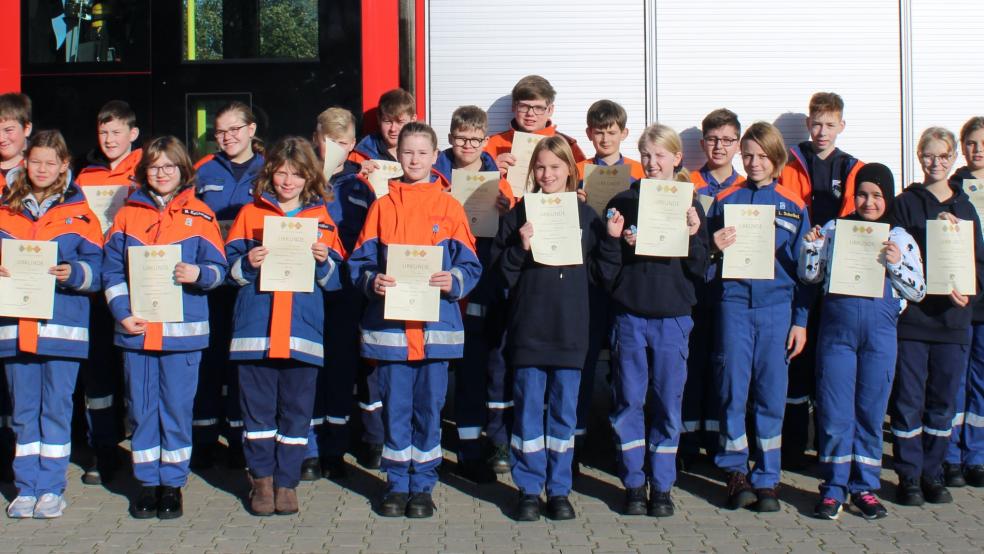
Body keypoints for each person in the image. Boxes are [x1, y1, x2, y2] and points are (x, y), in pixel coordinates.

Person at [348, 122, 481, 518]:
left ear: (435, 156)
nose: (415, 159)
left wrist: (453, 280)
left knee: (429, 410)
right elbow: (359, 263)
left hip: (435, 331)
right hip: (391, 332)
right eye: (407, 152)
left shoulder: (450, 207)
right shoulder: (382, 206)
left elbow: (470, 265)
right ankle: (395, 484)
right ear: (397, 155)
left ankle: (422, 486)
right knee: (395, 409)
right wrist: (373, 281)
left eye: (423, 152)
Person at [492, 135, 619, 521]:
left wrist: (612, 242)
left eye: (555, 167)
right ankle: (529, 490)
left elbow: (603, 275)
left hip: (570, 330)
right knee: (528, 413)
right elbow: (500, 274)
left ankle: (559, 490)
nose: (547, 174)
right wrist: (519, 247)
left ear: (570, 171)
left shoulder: (586, 217)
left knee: (564, 414)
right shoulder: (519, 214)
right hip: (529, 329)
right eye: (541, 167)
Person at [103, 135, 226, 519]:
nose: (161, 173)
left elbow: (219, 270)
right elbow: (111, 271)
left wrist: (198, 274)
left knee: (175, 409)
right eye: (154, 167)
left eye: (169, 166)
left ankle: (172, 484)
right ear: (144, 171)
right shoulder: (127, 215)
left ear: (183, 170)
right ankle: (146, 483)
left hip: (182, 336)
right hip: (137, 331)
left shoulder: (202, 215)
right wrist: (122, 312)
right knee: (141, 409)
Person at [798, 163, 925, 520]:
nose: (869, 202)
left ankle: (864, 487)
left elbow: (918, 291)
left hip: (879, 338)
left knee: (870, 412)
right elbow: (810, 277)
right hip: (837, 336)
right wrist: (812, 248)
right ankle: (833, 487)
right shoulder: (836, 229)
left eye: (877, 195)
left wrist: (896, 264)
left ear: (889, 197)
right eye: (862, 195)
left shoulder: (900, 238)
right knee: (835, 411)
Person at [225, 137, 345, 516]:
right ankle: (261, 480)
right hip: (256, 329)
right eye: (281, 173)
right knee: (257, 411)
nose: (288, 181)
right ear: (269, 174)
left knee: (296, 411)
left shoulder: (322, 218)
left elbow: (336, 281)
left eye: (297, 174)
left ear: (309, 177)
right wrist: (248, 263)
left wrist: (324, 262)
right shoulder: (250, 214)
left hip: (301, 331)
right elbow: (227, 272)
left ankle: (287, 482)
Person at [708, 122, 812, 512]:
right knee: (733, 390)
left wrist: (800, 320)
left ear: (776, 158)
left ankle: (768, 476)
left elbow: (806, 271)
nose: (754, 163)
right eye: (748, 155)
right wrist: (712, 248)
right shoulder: (725, 201)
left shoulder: (793, 205)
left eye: (762, 156)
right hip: (734, 305)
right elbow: (706, 263)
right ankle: (735, 471)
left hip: (776, 310)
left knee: (770, 394)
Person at [604, 124, 707, 517]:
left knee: (667, 403)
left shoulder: (690, 203)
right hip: (631, 315)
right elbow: (606, 269)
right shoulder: (623, 201)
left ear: (677, 158)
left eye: (660, 155)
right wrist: (618, 242)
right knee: (629, 401)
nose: (652, 162)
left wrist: (694, 236)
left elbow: (700, 268)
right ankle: (633, 483)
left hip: (673, 318)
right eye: (646, 154)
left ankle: (662, 486)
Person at [0, 130, 103, 518]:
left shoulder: (82, 213)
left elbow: (99, 269)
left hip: (62, 329)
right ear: (25, 163)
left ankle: (51, 488)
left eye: (50, 163)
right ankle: (26, 487)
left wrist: (73, 273)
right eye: (36, 162)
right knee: (23, 412)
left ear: (64, 166)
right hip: (14, 326)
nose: (42, 169)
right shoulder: (5, 208)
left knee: (57, 410)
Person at [889, 127, 984, 506]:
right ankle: (909, 476)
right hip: (914, 322)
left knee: (943, 403)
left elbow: (977, 262)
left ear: (953, 158)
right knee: (908, 401)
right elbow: (894, 257)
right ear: (919, 156)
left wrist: (969, 289)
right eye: (929, 155)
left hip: (953, 321)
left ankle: (933, 473)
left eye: (943, 156)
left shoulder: (966, 208)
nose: (936, 162)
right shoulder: (904, 204)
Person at [780, 92, 865, 467]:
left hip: (837, 275)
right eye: (816, 124)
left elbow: (857, 218)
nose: (822, 131)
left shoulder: (853, 168)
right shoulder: (790, 163)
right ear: (808, 124)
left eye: (830, 124)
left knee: (829, 362)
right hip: (797, 272)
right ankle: (793, 447)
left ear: (841, 126)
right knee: (796, 358)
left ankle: (829, 448)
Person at [434, 105, 513, 482]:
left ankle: (491, 443)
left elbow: (513, 234)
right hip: (442, 285)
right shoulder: (434, 174)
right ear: (450, 138)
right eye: (461, 138)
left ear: (485, 141)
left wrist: (505, 211)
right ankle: (457, 448)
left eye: (475, 139)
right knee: (451, 370)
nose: (467, 145)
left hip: (486, 285)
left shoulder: (499, 179)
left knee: (488, 367)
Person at [572, 99, 643, 470]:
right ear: (589, 134)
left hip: (625, 275)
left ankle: (623, 444)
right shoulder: (577, 171)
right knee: (583, 359)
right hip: (587, 277)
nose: (604, 138)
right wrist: (576, 202)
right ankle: (576, 439)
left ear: (623, 133)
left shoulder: (638, 172)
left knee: (625, 364)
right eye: (598, 132)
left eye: (611, 132)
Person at [194, 101, 265, 469]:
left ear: (251, 130)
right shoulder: (203, 171)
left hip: (252, 282)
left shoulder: (270, 170)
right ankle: (205, 437)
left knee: (243, 362)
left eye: (234, 129)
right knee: (209, 360)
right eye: (220, 132)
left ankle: (240, 438)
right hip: (211, 284)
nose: (227, 137)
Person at [75, 99, 143, 485]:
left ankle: (143, 450)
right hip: (96, 287)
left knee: (136, 373)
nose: (109, 139)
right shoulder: (85, 177)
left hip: (137, 284)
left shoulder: (149, 170)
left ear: (133, 133)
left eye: (116, 132)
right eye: (103, 132)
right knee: (98, 372)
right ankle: (103, 449)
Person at [300, 106, 364, 480]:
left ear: (353, 144)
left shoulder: (362, 185)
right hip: (305, 288)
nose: (336, 149)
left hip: (346, 291)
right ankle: (308, 449)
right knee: (308, 369)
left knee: (340, 369)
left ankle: (335, 449)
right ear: (316, 140)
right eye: (329, 142)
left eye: (343, 142)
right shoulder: (300, 179)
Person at [681, 109, 745, 463]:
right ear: (702, 142)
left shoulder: (747, 188)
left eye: (727, 140)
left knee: (725, 367)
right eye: (712, 139)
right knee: (691, 365)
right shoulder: (686, 184)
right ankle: (688, 443)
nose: (719, 146)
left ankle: (718, 439)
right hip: (692, 288)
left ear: (738, 143)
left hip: (731, 292)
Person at [946, 116, 984, 488]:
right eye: (971, 143)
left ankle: (977, 456)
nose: (978, 150)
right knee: (955, 378)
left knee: (981, 381)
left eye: (983, 143)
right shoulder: (952, 188)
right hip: (959, 296)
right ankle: (950, 455)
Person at [0, 93, 33, 483]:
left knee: (20, 384)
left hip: (23, 296)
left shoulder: (40, 172)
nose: (2, 137)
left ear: (26, 129)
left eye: (9, 129)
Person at [350, 88, 416, 166]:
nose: (393, 129)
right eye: (388, 122)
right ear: (379, 119)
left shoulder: (424, 152)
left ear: (413, 120)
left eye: (400, 122)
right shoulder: (361, 154)